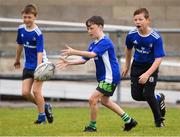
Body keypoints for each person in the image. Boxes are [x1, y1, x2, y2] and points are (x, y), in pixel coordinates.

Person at [57, 16, 137, 132]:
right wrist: (69, 62)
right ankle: (129, 121)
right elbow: (85, 59)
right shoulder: (94, 44)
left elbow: (92, 55)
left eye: (91, 28)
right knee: (105, 101)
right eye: (88, 29)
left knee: (92, 99)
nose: (89, 31)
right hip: (105, 77)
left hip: (109, 77)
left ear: (100, 27)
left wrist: (74, 51)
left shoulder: (105, 42)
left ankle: (92, 127)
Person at [122, 8, 166, 127]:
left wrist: (147, 74)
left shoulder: (155, 37)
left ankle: (159, 121)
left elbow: (158, 59)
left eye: (140, 19)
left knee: (148, 94)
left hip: (150, 66)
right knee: (136, 96)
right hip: (137, 66)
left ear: (148, 20)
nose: (137, 22)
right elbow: (128, 48)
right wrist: (126, 65)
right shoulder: (131, 35)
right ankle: (158, 98)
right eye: (135, 20)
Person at [14, 3, 53, 124]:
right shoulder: (21, 29)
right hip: (28, 65)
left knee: (36, 91)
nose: (27, 19)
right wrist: (17, 60)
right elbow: (20, 45)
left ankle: (42, 118)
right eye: (25, 17)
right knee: (25, 93)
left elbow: (40, 51)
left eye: (29, 17)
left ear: (35, 17)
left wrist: (39, 67)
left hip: (40, 64)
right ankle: (45, 106)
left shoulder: (38, 33)